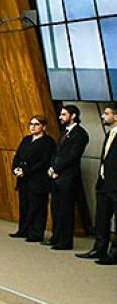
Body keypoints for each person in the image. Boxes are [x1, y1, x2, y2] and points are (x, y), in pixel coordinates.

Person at [48, 105, 89, 250]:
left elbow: (72, 156)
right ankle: (56, 237)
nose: (60, 117)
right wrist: (52, 168)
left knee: (66, 210)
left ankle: (65, 241)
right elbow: (56, 153)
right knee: (56, 209)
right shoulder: (63, 132)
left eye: (64, 114)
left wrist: (57, 168)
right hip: (56, 176)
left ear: (73, 116)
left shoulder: (80, 134)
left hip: (68, 177)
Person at [79, 104, 116, 263]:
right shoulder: (109, 134)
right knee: (101, 219)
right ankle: (99, 249)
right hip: (104, 184)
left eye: (106, 113)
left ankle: (114, 254)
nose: (103, 116)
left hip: (116, 185)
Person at [10, 115, 55, 243]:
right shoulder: (26, 140)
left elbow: (44, 162)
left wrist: (26, 171)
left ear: (43, 127)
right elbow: (17, 156)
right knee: (24, 205)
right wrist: (16, 169)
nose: (33, 127)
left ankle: (36, 233)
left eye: (36, 124)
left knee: (38, 207)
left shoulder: (48, 142)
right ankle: (23, 230)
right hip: (23, 180)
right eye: (31, 124)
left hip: (38, 180)